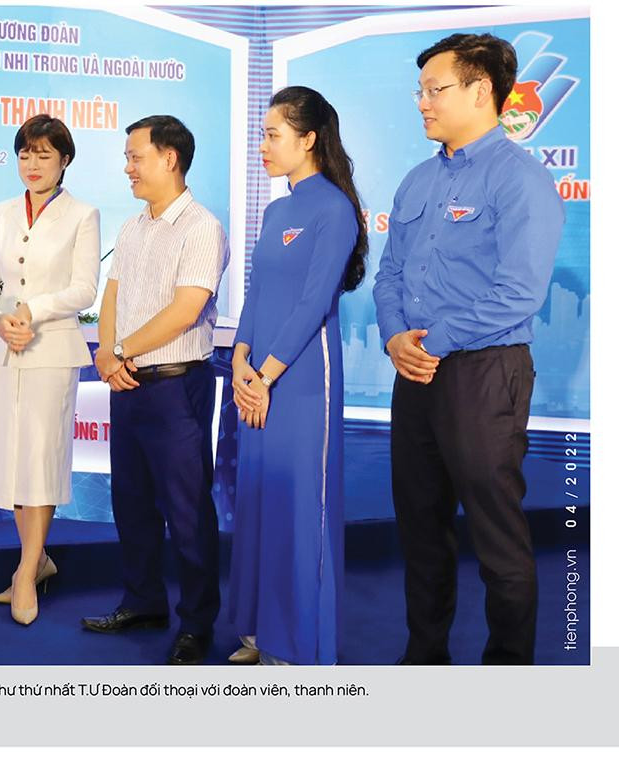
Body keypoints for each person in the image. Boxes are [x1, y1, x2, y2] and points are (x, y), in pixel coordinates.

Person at [372, 33, 564, 665]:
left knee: (497, 537)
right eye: (419, 91)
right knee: (420, 529)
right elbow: (389, 275)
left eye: (435, 89)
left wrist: (433, 342)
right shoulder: (418, 179)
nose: (421, 102)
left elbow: (520, 293)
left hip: (485, 372)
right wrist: (395, 337)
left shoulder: (521, 178)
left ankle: (506, 677)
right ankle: (424, 659)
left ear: (481, 91)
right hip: (415, 371)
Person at [226, 86, 366, 666]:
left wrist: (264, 376)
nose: (262, 145)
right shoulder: (276, 210)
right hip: (256, 375)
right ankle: (260, 631)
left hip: (304, 379)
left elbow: (314, 303)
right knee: (261, 499)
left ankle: (299, 648)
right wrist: (240, 359)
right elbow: (257, 292)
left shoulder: (333, 209)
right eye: (262, 134)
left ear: (308, 139)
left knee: (300, 507)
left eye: (272, 134)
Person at [82, 115, 228, 665]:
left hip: (175, 386)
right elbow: (112, 295)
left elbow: (186, 310)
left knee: (187, 511)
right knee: (132, 502)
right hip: (126, 383)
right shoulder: (133, 227)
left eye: (135, 157)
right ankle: (142, 601)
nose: (128, 168)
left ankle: (197, 623)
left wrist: (121, 350)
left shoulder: (201, 227)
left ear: (170, 159)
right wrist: (107, 352)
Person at [0, 115, 101, 625]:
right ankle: (37, 558)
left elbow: (84, 288)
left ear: (64, 160)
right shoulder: (1, 212)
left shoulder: (83, 215)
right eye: (25, 154)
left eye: (44, 155)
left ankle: (25, 572)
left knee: (40, 461)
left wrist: (33, 310)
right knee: (11, 463)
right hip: (5, 350)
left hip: (51, 351)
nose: (32, 164)